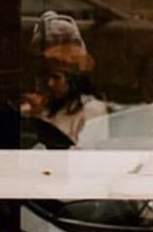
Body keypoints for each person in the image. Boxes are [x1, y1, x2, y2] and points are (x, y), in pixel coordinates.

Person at [23, 11, 108, 145]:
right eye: (44, 77)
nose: (49, 84)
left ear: (73, 78)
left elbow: (88, 157)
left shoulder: (91, 110)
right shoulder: (42, 106)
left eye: (56, 77)